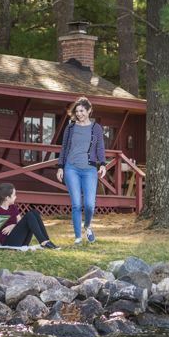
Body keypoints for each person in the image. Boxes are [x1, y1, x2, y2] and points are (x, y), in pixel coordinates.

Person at [56, 97, 106, 245]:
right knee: (77, 204)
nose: (79, 114)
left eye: (82, 111)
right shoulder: (70, 128)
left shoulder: (96, 128)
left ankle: (88, 226)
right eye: (77, 111)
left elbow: (100, 148)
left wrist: (102, 164)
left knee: (90, 204)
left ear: (89, 110)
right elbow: (64, 148)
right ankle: (78, 236)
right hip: (72, 168)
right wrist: (60, 167)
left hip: (90, 169)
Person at [0, 183, 60, 249]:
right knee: (29, 215)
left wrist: (13, 226)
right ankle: (43, 242)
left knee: (34, 212)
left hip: (21, 241)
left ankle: (46, 240)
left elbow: (20, 223)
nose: (16, 197)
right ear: (7, 198)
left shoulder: (13, 207)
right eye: (14, 195)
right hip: (8, 242)